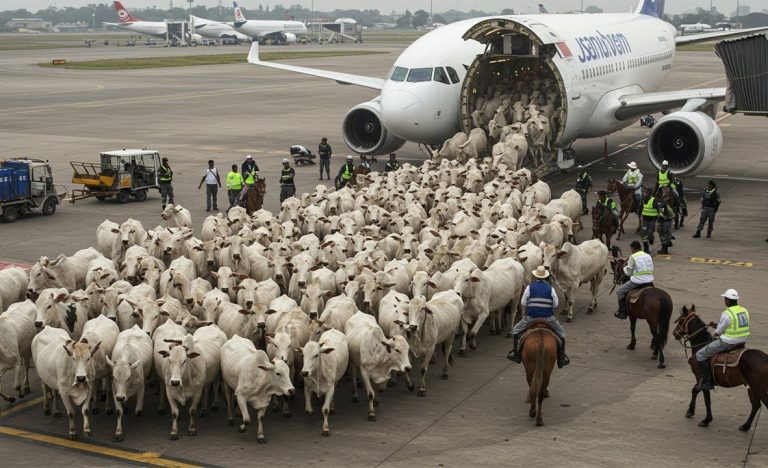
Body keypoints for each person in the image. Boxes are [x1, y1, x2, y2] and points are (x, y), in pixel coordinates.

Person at [507, 266, 569, 368]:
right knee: (562, 333)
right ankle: (561, 358)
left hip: (531, 317)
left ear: (535, 276)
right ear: (545, 277)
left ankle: (516, 354)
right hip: (548, 318)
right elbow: (556, 304)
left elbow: (523, 302)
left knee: (515, 330)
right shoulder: (551, 289)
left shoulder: (529, 287)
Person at [695, 289, 750, 391]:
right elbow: (734, 324)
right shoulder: (744, 310)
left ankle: (707, 382)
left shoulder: (727, 313)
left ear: (728, 301)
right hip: (741, 341)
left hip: (728, 342)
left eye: (725, 299)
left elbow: (718, 331)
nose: (724, 301)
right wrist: (716, 325)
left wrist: (713, 332)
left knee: (700, 355)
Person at [615, 240, 654, 319]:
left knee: (620, 292)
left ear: (633, 248)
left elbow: (628, 273)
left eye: (631, 248)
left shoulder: (633, 257)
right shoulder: (648, 255)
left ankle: (623, 313)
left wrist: (624, 268)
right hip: (650, 281)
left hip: (637, 281)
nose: (631, 250)